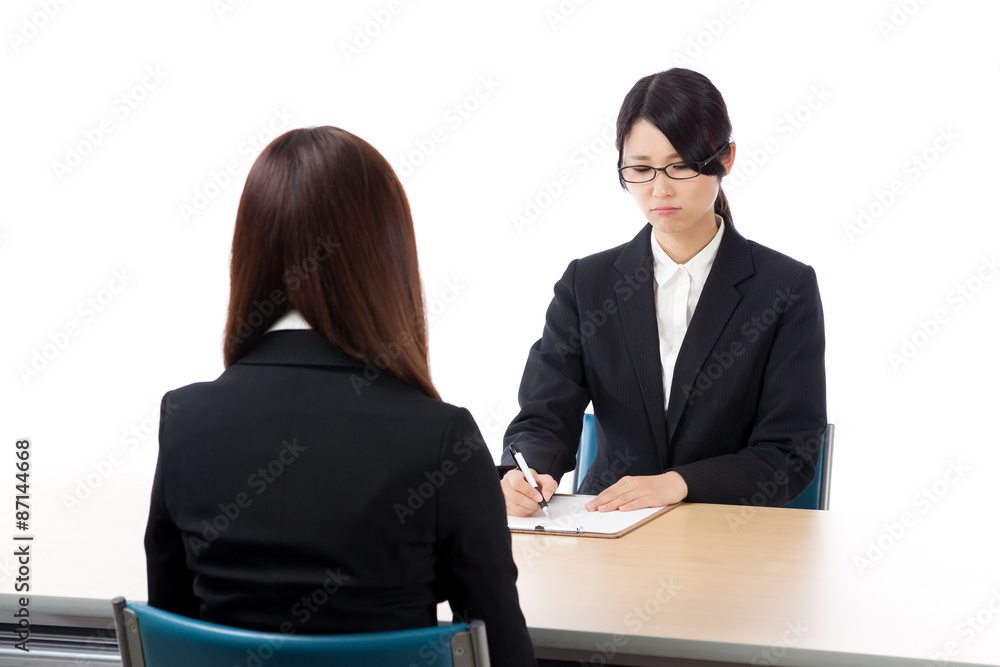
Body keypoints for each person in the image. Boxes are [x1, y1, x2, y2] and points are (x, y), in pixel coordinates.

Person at [144, 126, 536, 666]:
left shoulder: (184, 420)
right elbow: (502, 651)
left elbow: (171, 635)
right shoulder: (440, 438)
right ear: (386, 257)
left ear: (249, 251)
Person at [501, 68, 826, 517]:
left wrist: (679, 483)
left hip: (726, 528)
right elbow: (545, 416)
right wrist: (525, 472)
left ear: (726, 158)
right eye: (640, 169)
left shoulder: (784, 287)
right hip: (606, 524)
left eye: (682, 165)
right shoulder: (587, 283)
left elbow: (789, 453)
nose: (660, 189)